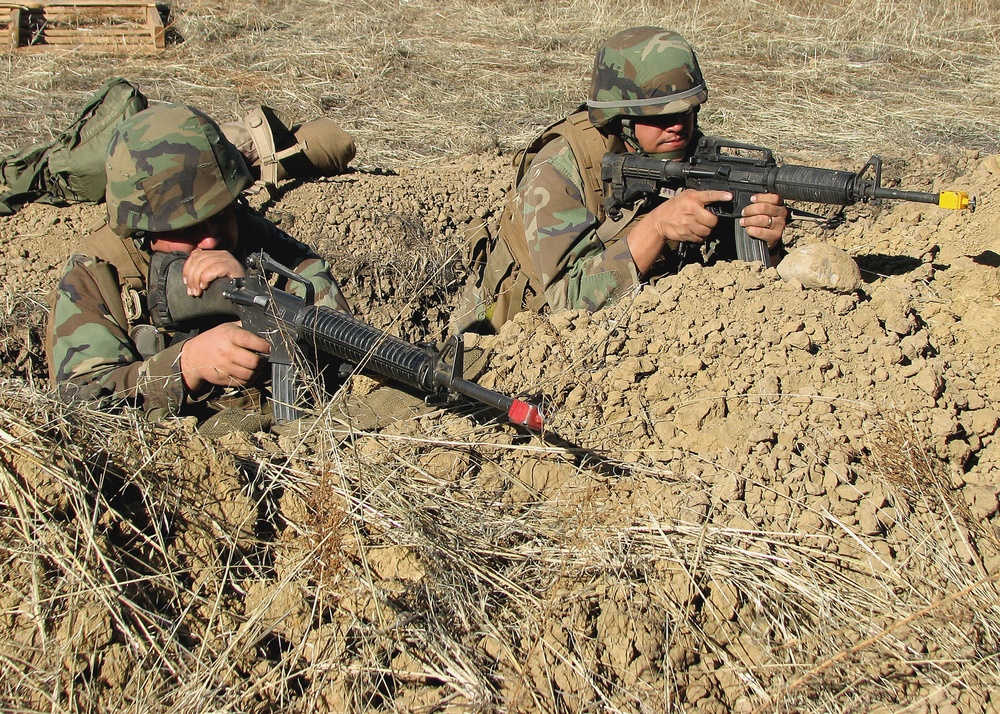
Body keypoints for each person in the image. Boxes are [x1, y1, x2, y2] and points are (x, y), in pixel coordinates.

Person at [455, 26, 789, 334]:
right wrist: (656, 227)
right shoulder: (561, 168)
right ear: (622, 119)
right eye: (660, 116)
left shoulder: (692, 158)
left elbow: (732, 284)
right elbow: (565, 303)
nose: (677, 126)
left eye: (685, 111)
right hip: (514, 341)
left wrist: (766, 244)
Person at [46, 103, 350, 423]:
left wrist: (256, 294)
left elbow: (343, 354)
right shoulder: (98, 276)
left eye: (220, 215)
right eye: (185, 227)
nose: (210, 239)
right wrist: (185, 365)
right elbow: (77, 403)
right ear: (143, 231)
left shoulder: (270, 249)